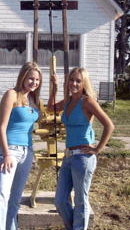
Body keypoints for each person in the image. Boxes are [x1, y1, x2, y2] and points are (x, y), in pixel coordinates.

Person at [47, 67, 114, 230]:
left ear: (84, 83)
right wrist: (54, 89)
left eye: (78, 80)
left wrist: (97, 149)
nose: (74, 83)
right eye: (72, 80)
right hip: (68, 157)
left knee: (80, 201)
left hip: (83, 158)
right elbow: (51, 108)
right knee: (60, 201)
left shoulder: (87, 101)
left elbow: (109, 125)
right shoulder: (69, 100)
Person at [0, 62, 42, 230]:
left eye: (37, 80)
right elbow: (2, 127)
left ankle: (11, 226)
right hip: (10, 150)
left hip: (27, 152)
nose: (33, 82)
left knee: (16, 197)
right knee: (2, 193)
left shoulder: (34, 99)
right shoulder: (11, 94)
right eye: (30, 78)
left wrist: (55, 87)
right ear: (23, 77)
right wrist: (5, 154)